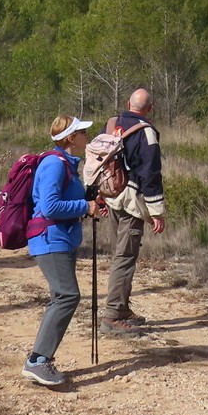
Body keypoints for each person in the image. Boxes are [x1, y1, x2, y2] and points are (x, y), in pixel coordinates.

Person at [22, 114, 98, 387]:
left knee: (60, 297)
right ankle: (38, 360)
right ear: (70, 138)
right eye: (81, 132)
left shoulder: (65, 163)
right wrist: (84, 207)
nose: (85, 136)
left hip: (59, 239)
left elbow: (62, 200)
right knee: (67, 295)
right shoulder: (54, 164)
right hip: (50, 239)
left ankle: (40, 360)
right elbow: (51, 207)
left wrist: (87, 200)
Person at [100, 88, 166, 336]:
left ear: (128, 103)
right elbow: (151, 174)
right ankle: (113, 316)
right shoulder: (146, 133)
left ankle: (123, 308)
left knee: (122, 253)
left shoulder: (111, 124)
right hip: (130, 202)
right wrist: (156, 211)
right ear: (150, 108)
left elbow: (99, 160)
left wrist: (99, 194)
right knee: (125, 257)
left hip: (112, 196)